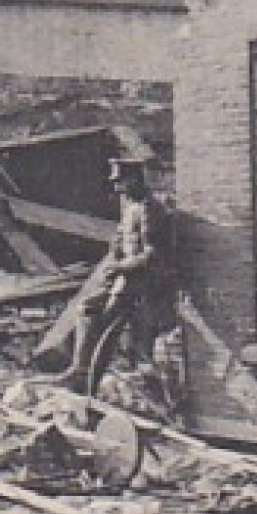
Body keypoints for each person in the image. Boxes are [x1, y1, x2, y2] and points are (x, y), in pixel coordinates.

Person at [59, 160, 174, 395]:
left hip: (143, 283)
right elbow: (121, 243)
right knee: (87, 308)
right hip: (126, 279)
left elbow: (153, 254)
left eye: (121, 182)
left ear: (135, 179)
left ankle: (88, 372)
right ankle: (81, 368)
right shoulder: (130, 208)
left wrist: (122, 267)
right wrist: (115, 257)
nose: (117, 189)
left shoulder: (150, 209)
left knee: (109, 323)